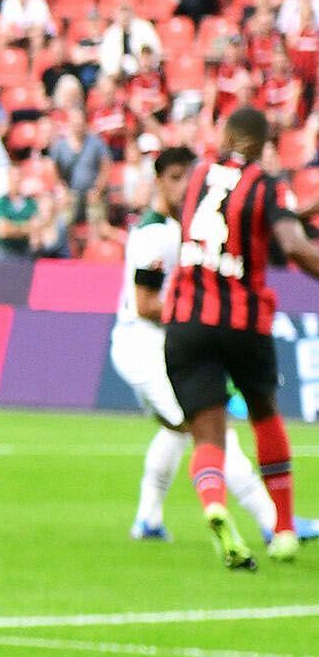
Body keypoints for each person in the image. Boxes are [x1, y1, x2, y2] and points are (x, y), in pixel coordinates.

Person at [162, 106, 319, 566]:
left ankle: (214, 504)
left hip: (187, 318)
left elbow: (182, 210)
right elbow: (291, 245)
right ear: (262, 145)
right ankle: (284, 529)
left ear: (227, 135)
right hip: (242, 321)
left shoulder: (194, 176)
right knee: (264, 411)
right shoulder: (264, 185)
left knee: (207, 431)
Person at [116, 147, 284, 543]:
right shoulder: (157, 234)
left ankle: (148, 519)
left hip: (160, 343)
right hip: (144, 344)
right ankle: (273, 522)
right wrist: (195, 312)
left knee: (179, 429)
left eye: (187, 178)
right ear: (157, 181)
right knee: (210, 428)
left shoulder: (185, 228)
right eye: (174, 178)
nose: (182, 186)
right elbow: (144, 305)